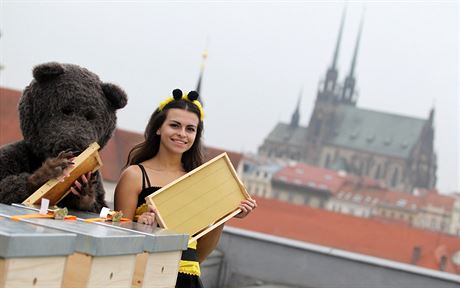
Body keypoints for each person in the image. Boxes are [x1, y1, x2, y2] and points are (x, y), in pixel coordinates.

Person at [114, 89, 257, 288]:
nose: (182, 134)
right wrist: (144, 230)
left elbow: (199, 255)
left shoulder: (200, 181)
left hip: (186, 280)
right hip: (144, 276)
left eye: (190, 129)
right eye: (174, 125)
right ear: (158, 128)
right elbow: (117, 245)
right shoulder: (135, 175)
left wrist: (224, 214)